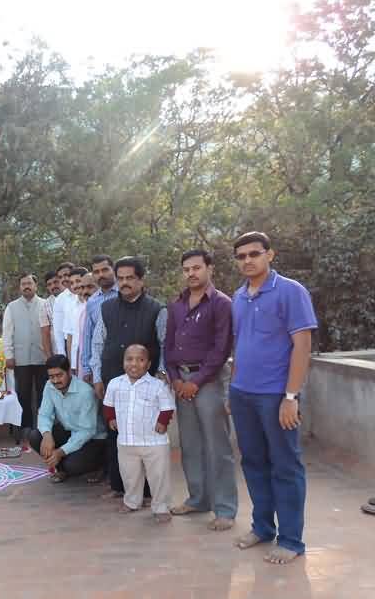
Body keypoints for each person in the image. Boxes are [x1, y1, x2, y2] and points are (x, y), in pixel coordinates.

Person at [229, 231, 317, 565]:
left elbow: (302, 346)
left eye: (254, 253)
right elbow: (240, 344)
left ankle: (291, 540)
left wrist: (291, 396)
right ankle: (263, 528)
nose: (248, 260)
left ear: (270, 254)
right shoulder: (239, 296)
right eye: (241, 256)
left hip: (276, 396)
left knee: (285, 466)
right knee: (253, 463)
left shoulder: (291, 291)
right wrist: (233, 387)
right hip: (243, 394)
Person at [165, 249, 237, 531]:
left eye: (196, 268)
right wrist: (175, 379)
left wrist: (196, 381)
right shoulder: (176, 305)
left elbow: (222, 348)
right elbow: (168, 345)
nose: (191, 273)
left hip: (209, 380)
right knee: (191, 445)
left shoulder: (221, 304)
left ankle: (225, 509)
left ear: (209, 269)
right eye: (186, 269)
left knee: (217, 447)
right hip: (181, 381)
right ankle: (198, 499)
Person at [90, 256, 167, 497]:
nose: (124, 283)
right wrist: (97, 376)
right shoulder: (106, 308)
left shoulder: (157, 309)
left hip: (147, 384)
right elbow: (98, 343)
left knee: (145, 435)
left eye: (130, 278)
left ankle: (146, 493)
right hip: (113, 380)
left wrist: (162, 375)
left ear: (141, 280)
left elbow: (165, 345)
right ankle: (119, 487)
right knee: (115, 432)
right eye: (120, 278)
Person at [104, 345, 176, 523]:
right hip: (126, 441)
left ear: (148, 364)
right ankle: (132, 501)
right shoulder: (115, 384)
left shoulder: (158, 385)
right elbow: (108, 404)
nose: (134, 364)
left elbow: (167, 407)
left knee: (159, 477)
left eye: (140, 360)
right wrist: (111, 418)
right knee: (130, 475)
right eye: (129, 359)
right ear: (123, 362)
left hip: (154, 442)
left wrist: (163, 422)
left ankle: (161, 507)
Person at [29, 354, 107, 483]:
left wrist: (60, 452)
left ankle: (99, 465)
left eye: (59, 375)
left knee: (72, 465)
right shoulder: (49, 386)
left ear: (69, 372)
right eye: (51, 376)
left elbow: (86, 431)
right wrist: (47, 435)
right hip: (70, 431)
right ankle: (62, 468)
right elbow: (44, 414)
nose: (55, 381)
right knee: (36, 436)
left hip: (93, 439)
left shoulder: (85, 392)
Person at [3, 273, 47, 434]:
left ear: (36, 286)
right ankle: (25, 427)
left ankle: (43, 427)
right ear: (20, 287)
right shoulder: (12, 307)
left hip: (42, 357)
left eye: (29, 283)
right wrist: (9, 355)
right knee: (23, 393)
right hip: (21, 359)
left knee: (44, 394)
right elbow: (7, 333)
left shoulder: (45, 304)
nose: (26, 286)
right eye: (23, 284)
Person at [80, 254, 118, 384]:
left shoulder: (124, 294)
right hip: (101, 364)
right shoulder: (92, 301)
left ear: (113, 270)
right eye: (96, 272)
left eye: (105, 270)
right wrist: (86, 368)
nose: (101, 275)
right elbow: (88, 335)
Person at [64, 269, 90, 375]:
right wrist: (71, 363)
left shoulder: (93, 302)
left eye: (78, 281)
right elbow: (69, 336)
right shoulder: (70, 305)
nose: (75, 285)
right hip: (76, 360)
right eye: (72, 283)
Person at [51, 262, 76, 356]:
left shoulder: (84, 293)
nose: (64, 279)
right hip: (69, 343)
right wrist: (62, 353)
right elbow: (58, 329)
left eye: (66, 275)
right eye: (60, 277)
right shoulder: (60, 299)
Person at [39, 270, 62, 358]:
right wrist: (49, 357)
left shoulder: (73, 298)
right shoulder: (45, 305)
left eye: (56, 282)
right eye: (49, 284)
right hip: (57, 351)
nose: (53, 286)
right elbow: (45, 334)